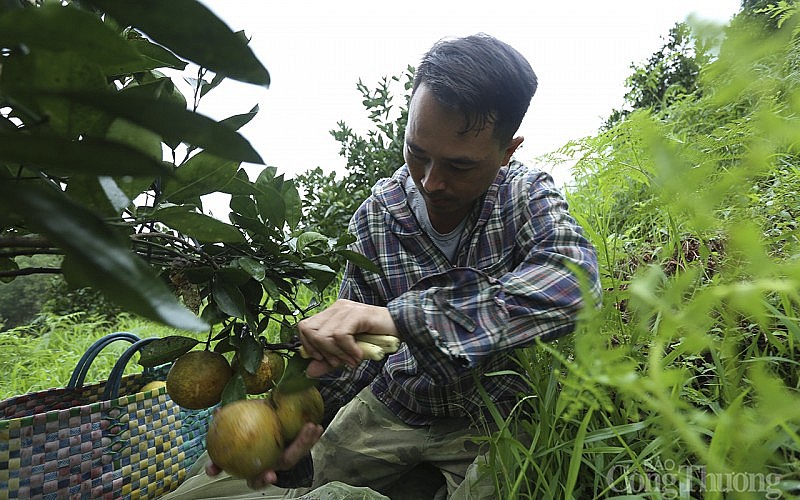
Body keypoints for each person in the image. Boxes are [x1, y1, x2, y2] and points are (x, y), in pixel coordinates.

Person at [163, 32, 601, 500]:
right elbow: (354, 361)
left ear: (507, 151)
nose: (431, 182)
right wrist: (287, 425)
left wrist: (401, 317)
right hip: (396, 404)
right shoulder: (379, 216)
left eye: (459, 166)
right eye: (417, 152)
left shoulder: (524, 196)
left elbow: (574, 281)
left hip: (494, 413)